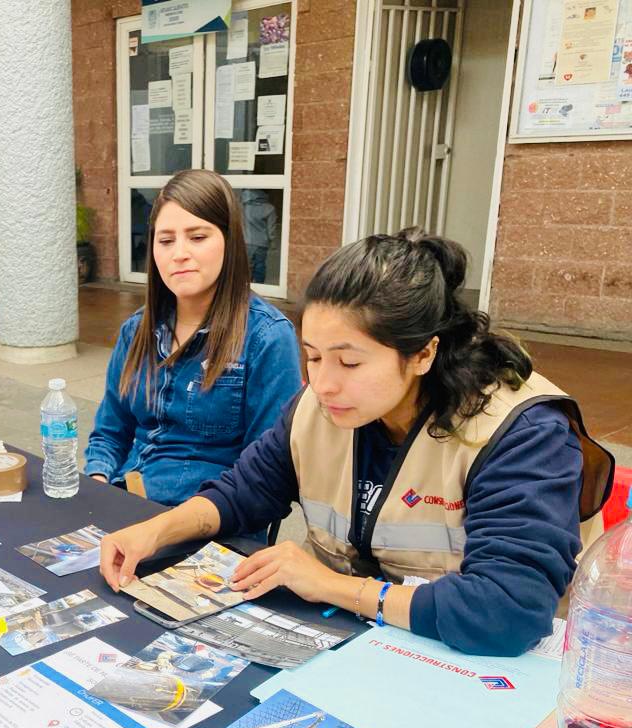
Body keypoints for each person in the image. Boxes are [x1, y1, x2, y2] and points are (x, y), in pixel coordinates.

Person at [100, 228, 615, 657]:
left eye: (349, 362)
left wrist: (333, 586)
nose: (323, 383)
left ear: (422, 354)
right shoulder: (317, 410)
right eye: (313, 356)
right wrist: (155, 531)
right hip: (350, 639)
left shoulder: (520, 434)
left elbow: (508, 611)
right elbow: (242, 491)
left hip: (469, 663)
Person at [83, 169, 302, 506]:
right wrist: (97, 482)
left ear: (230, 241)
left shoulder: (267, 337)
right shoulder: (136, 330)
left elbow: (268, 471)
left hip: (207, 519)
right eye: (166, 240)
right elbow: (111, 432)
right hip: (124, 500)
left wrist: (179, 523)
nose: (179, 253)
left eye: (197, 237)